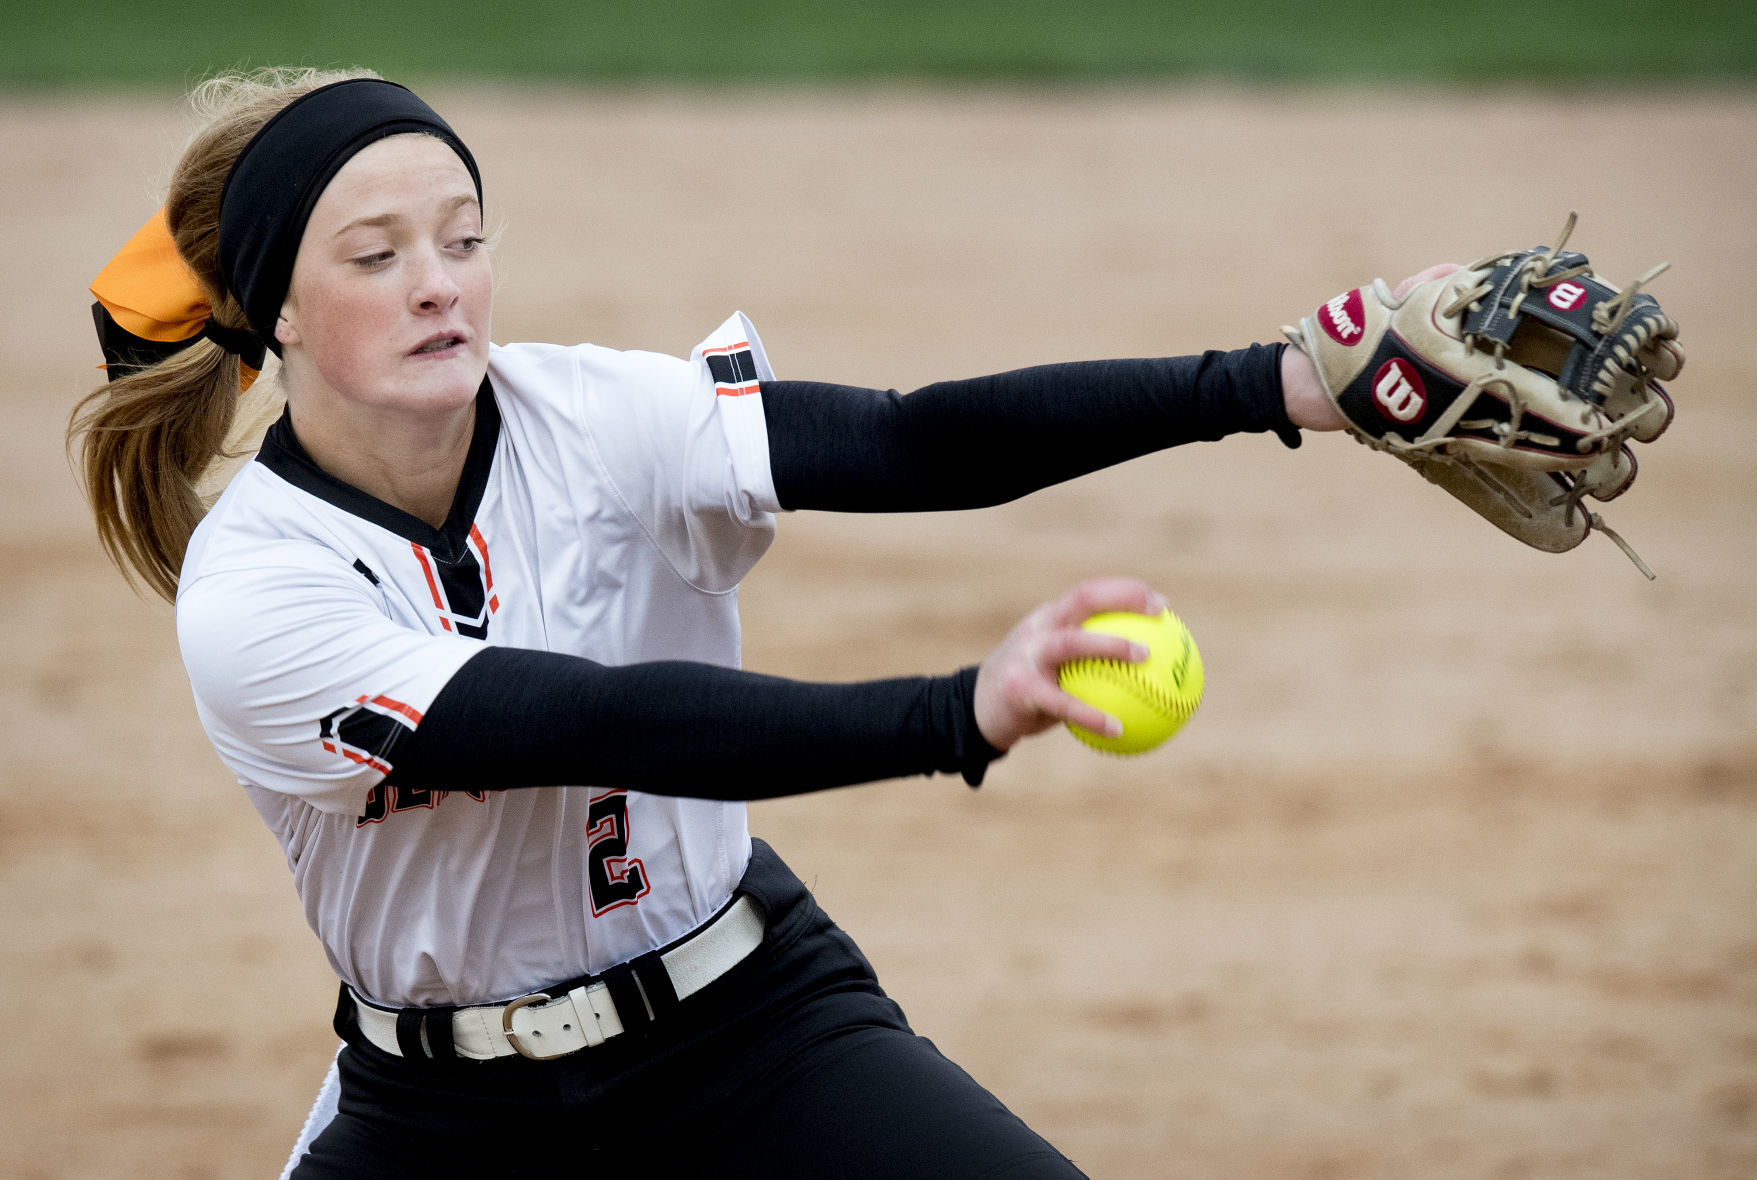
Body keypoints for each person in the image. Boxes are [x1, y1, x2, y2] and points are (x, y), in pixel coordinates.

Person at [71, 68, 1409, 1178]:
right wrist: (951, 712)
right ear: (277, 311)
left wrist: (1280, 383)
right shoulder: (256, 590)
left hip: (748, 1033)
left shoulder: (591, 417)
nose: (440, 284)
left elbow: (904, 440)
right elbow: (591, 718)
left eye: (465, 239)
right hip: (444, 1120)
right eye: (377, 255)